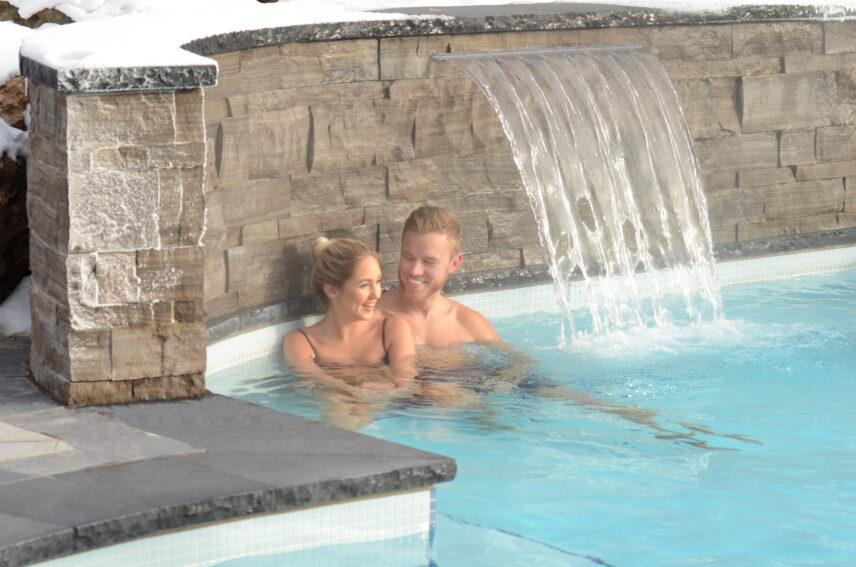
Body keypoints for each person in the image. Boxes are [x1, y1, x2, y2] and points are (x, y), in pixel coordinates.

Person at [282, 237, 416, 427]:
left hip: (392, 414)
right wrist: (357, 393)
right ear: (332, 290)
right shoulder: (300, 342)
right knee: (335, 399)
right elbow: (317, 382)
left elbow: (407, 384)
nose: (376, 293)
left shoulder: (393, 330)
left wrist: (381, 392)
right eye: (364, 285)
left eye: (377, 281)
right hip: (340, 415)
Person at [377, 206, 499, 346]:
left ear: (454, 264)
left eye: (428, 262)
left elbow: (516, 365)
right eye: (408, 257)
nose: (415, 271)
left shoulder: (470, 325)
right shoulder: (370, 319)